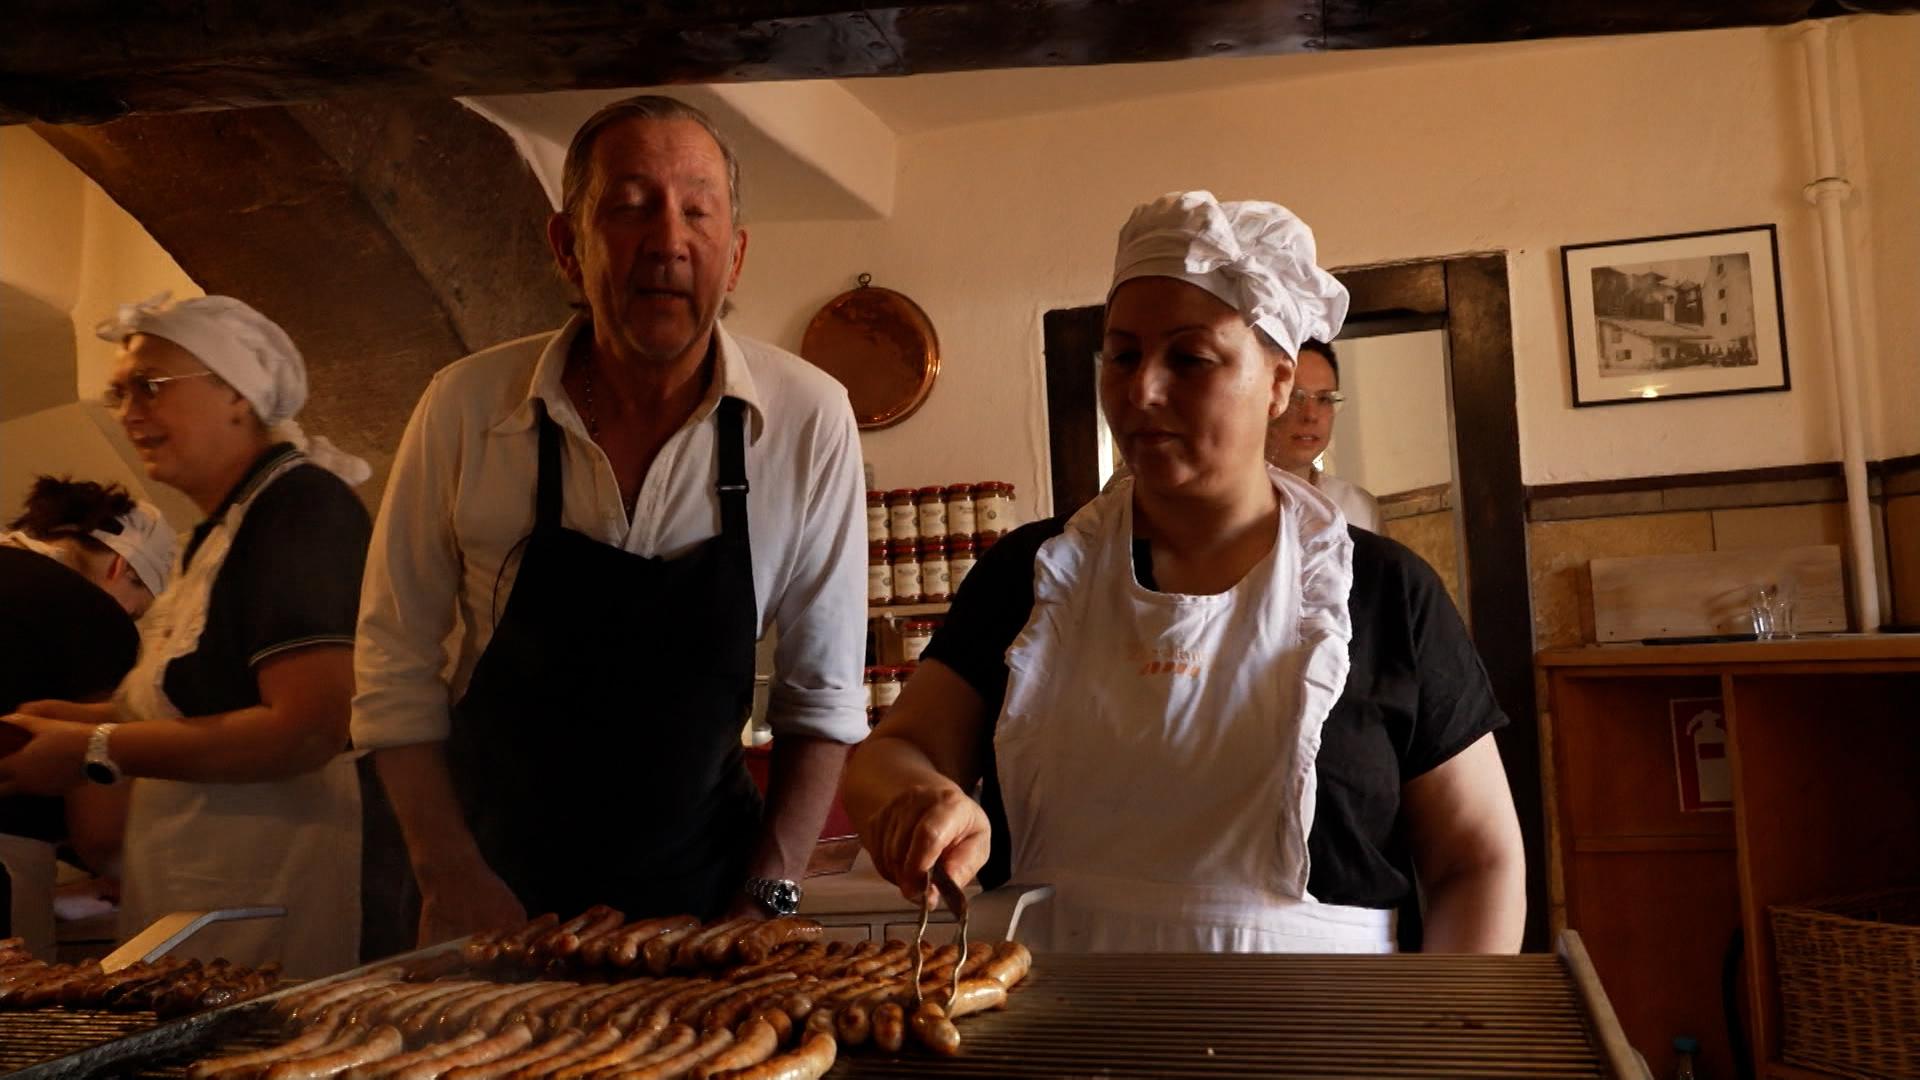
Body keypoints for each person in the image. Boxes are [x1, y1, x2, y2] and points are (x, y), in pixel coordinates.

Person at [843, 191, 1525, 955]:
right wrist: (920, 796)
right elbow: (890, 754)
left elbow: (1478, 858)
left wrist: (1445, 1034)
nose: (1141, 391)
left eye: (1190, 359)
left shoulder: (1384, 594)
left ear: (1275, 383)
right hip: (1057, 1031)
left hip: (1332, 1041)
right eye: (1123, 354)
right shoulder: (1032, 576)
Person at [352, 94, 869, 944]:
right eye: (629, 208)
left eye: (698, 211)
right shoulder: (466, 408)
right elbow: (391, 676)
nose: (668, 241)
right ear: (567, 246)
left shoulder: (808, 417)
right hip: (492, 902)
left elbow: (823, 697)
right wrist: (450, 877)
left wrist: (766, 899)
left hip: (708, 911)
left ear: (733, 257)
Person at [0, 294, 373, 977]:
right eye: (118, 393)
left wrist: (92, 746)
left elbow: (309, 726)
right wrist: (72, 722)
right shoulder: (218, 531)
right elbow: (193, 705)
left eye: (151, 387)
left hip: (267, 895)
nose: (128, 412)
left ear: (238, 394)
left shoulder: (300, 510)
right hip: (206, 892)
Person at [0, 478, 172, 876]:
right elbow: (102, 835)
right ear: (122, 566)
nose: (128, 618)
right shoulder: (91, 612)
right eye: (136, 611)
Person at [1265, 338, 1383, 532]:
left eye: (1324, 399)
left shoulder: (1358, 509)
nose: (1310, 415)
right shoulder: (1228, 506)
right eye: (1295, 397)